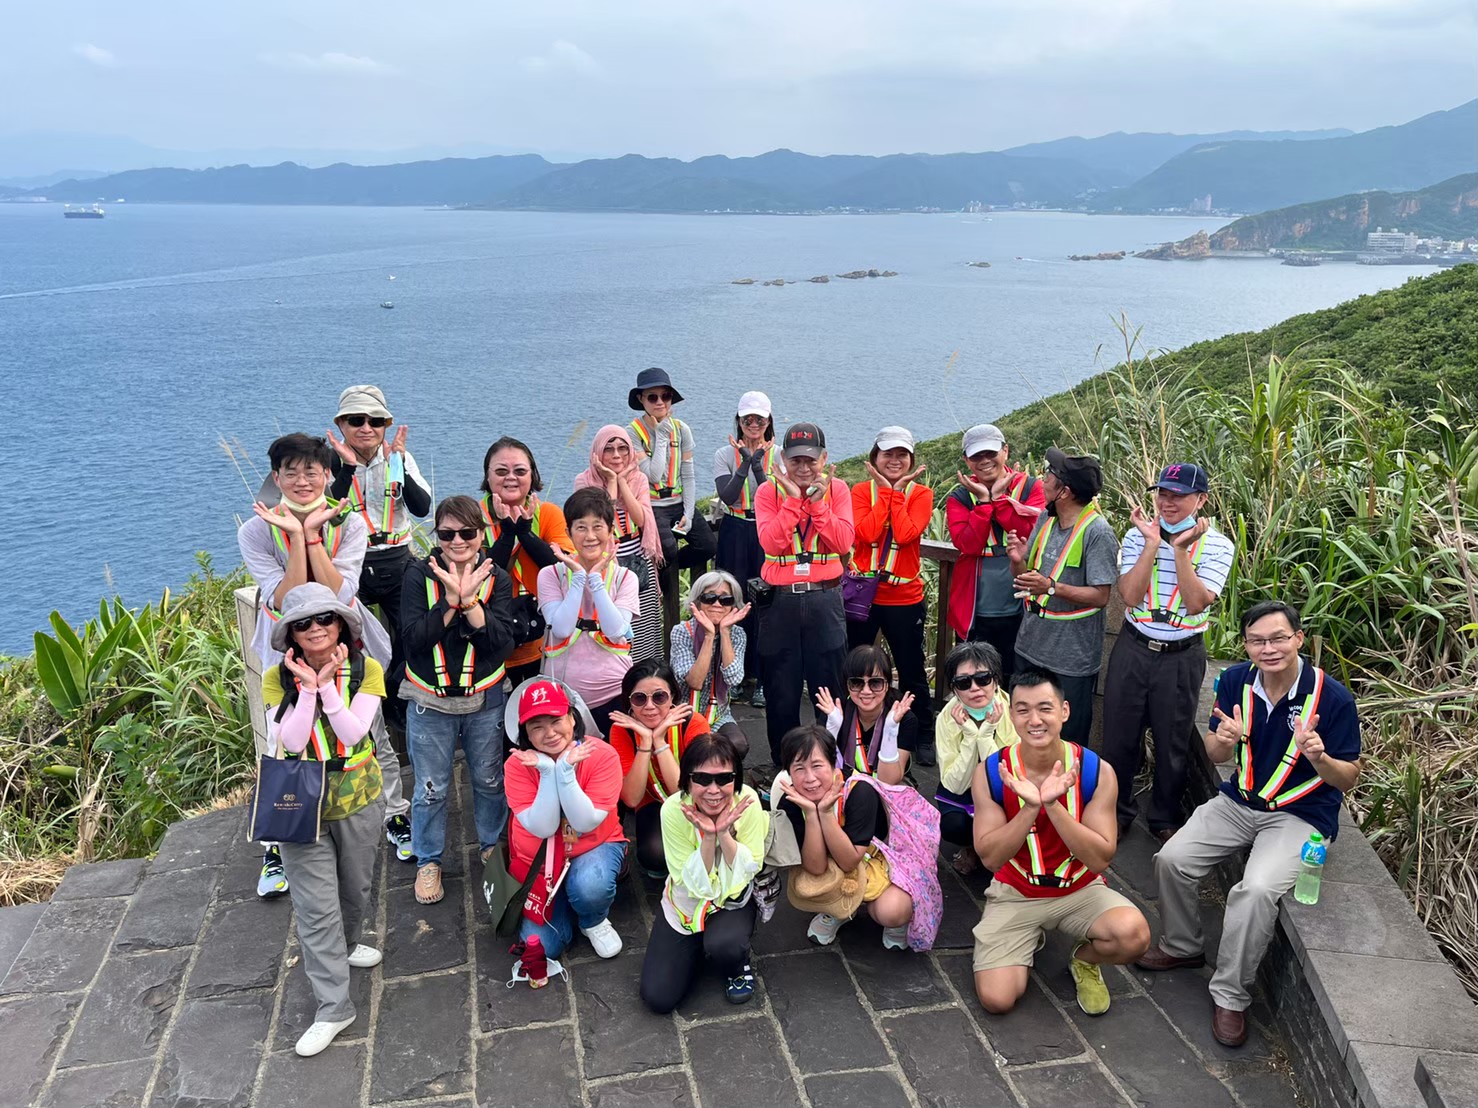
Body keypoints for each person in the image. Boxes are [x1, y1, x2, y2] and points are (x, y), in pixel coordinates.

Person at [1138, 601, 1361, 1048]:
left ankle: (1230, 995)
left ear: (1299, 639)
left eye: (1279, 638)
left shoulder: (1331, 698)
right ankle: (1183, 946)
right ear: (1246, 645)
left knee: (1256, 891)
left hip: (1300, 814)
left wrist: (1319, 757)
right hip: (1240, 801)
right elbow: (1217, 754)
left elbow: (1349, 777)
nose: (1269, 648)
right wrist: (1220, 740)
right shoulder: (1236, 680)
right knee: (1172, 859)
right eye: (1258, 640)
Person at [238, 433, 412, 894]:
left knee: (370, 733)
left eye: (311, 470)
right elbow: (286, 598)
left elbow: (340, 596)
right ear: (275, 477)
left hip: (348, 645)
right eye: (290, 471)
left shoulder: (350, 524)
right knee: (285, 739)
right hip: (286, 649)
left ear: (328, 475)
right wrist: (296, 536)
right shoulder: (256, 530)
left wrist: (312, 534)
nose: (301, 479)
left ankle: (393, 814)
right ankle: (278, 841)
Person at [970, 669, 1151, 1017]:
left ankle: (1083, 958)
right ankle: (1028, 936)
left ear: (1064, 711)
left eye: (1045, 708)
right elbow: (991, 859)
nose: (1034, 720)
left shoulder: (1095, 772)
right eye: (1022, 709)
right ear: (1011, 715)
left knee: (1134, 936)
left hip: (1078, 888)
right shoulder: (993, 772)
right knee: (997, 1000)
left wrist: (1053, 805)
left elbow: (1099, 859)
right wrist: (1031, 807)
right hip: (1017, 891)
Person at [260, 584, 386, 1057]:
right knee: (316, 910)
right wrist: (308, 691)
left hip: (357, 797)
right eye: (304, 623)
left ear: (342, 626)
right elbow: (291, 741)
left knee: (355, 889)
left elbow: (355, 731)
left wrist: (329, 687)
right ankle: (334, 1007)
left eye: (324, 620)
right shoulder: (278, 679)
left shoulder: (367, 670)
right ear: (291, 634)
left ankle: (348, 945)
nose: (316, 629)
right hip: (299, 805)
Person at [1100, 463, 1235, 841]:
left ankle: (1163, 816)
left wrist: (1179, 550)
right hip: (1134, 645)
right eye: (1162, 493)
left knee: (1173, 737)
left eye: (1178, 495)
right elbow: (1129, 595)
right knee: (1118, 736)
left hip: (1182, 653)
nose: (1167, 502)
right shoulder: (1136, 535)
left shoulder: (1219, 546)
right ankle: (1117, 811)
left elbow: (1195, 603)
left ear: (1201, 499)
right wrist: (1151, 544)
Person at [400, 495, 519, 905]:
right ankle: (428, 860)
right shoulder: (418, 576)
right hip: (430, 701)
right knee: (430, 787)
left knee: (489, 780)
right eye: (447, 533)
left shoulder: (497, 578)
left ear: (481, 534)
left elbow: (501, 644)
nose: (457, 541)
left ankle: (490, 845)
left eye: (467, 532)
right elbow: (413, 641)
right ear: (437, 536)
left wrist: (471, 603)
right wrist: (450, 603)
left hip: (485, 698)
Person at [776, 724, 942, 950]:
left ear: (833, 763)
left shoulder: (859, 791)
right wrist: (813, 816)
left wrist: (825, 812)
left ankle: (890, 913)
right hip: (832, 861)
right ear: (788, 772)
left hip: (878, 858)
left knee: (891, 911)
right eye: (799, 768)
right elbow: (815, 868)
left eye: (817, 765)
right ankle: (839, 909)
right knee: (812, 882)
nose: (810, 778)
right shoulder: (790, 803)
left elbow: (850, 860)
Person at [325, 384, 431, 733]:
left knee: (412, 631)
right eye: (357, 420)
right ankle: (353, 698)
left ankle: (397, 698)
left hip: (396, 558)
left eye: (375, 421)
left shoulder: (399, 457)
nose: (366, 428)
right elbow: (328, 508)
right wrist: (347, 469)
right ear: (341, 424)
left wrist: (398, 463)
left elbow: (421, 507)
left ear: (387, 425)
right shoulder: (327, 462)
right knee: (339, 633)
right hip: (349, 561)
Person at [640, 731, 768, 1011]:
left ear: (736, 778)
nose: (713, 790)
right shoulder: (674, 810)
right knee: (658, 997)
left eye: (724, 778)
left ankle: (735, 965)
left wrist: (724, 834)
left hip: (731, 900)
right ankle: (695, 950)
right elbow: (688, 882)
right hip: (686, 905)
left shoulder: (747, 801)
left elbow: (749, 868)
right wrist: (708, 838)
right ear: (687, 779)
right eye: (701, 779)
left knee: (725, 945)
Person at [503, 678, 627, 960]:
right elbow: (544, 827)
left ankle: (593, 919)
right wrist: (548, 772)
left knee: (591, 885)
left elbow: (584, 823)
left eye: (556, 720)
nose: (549, 733)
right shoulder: (517, 766)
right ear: (526, 735)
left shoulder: (603, 755)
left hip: (591, 846)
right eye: (537, 727)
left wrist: (566, 773)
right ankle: (561, 902)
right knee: (544, 947)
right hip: (538, 861)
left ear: (572, 717)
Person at [755, 422, 855, 764]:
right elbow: (770, 541)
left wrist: (816, 504)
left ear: (824, 458)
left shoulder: (838, 490)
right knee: (780, 692)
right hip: (780, 602)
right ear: (783, 459)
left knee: (829, 689)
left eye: (810, 460)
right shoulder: (768, 493)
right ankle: (785, 767)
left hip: (824, 599)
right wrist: (794, 502)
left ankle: (831, 763)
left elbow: (843, 542)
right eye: (796, 460)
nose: (803, 467)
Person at [1006, 447, 1116, 748]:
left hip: (1071, 657)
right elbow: (1028, 575)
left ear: (1064, 491)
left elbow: (1102, 595)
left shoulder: (1098, 533)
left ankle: (1068, 793)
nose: (1042, 481)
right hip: (1031, 643)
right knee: (1023, 725)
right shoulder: (1047, 518)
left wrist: (1052, 587)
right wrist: (1017, 560)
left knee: (1067, 737)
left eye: (1048, 476)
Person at [847, 426, 936, 764]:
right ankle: (854, 729)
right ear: (875, 457)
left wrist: (896, 493)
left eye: (902, 454)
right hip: (862, 596)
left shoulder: (921, 495)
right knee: (856, 663)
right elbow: (866, 534)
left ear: (911, 458)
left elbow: (906, 532)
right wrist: (886, 492)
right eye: (888, 454)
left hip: (904, 596)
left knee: (911, 669)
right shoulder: (860, 492)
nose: (895, 460)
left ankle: (922, 732)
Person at [537, 487, 641, 738]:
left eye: (598, 526)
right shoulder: (550, 575)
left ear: (610, 530)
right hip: (563, 695)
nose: (590, 536)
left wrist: (595, 581)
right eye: (581, 527)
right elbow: (560, 629)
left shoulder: (625, 578)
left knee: (616, 766)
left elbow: (616, 630)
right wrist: (578, 578)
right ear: (569, 533)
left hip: (615, 691)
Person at [945, 424, 1045, 685]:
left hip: (1021, 603)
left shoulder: (1032, 488)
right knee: (974, 678)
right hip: (975, 607)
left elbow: (1033, 532)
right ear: (967, 460)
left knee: (1019, 678)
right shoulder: (960, 496)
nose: (985, 461)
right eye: (976, 456)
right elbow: (967, 544)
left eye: (990, 453)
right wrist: (983, 503)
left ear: (1005, 451)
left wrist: (999, 498)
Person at [627, 367, 716, 636]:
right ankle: (665, 592)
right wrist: (662, 437)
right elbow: (652, 475)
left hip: (678, 503)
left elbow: (687, 474)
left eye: (665, 396)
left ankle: (666, 572)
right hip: (652, 506)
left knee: (707, 545)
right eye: (652, 397)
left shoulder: (683, 430)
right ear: (641, 399)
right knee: (667, 548)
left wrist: (689, 512)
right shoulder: (632, 433)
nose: (660, 403)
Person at [479, 437, 570, 690]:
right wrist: (507, 534)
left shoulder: (548, 513)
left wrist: (525, 533)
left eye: (520, 471)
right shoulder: (474, 517)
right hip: (491, 638)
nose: (511, 478)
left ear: (533, 475)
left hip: (543, 639)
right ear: (487, 476)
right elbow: (480, 574)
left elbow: (560, 568)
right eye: (500, 471)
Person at [607, 658, 712, 876]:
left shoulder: (693, 723)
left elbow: (685, 794)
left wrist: (660, 742)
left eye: (659, 697)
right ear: (628, 703)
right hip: (650, 799)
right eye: (639, 698)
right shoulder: (622, 730)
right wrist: (646, 742)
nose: (649, 707)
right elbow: (632, 799)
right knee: (653, 856)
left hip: (696, 799)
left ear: (672, 696)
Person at [713, 391, 782, 708]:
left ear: (768, 422)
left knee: (766, 603)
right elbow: (727, 496)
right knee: (731, 600)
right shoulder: (723, 454)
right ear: (738, 422)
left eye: (759, 418)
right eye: (747, 419)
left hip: (766, 531)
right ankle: (735, 676)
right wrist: (745, 461)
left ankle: (763, 679)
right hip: (734, 529)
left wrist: (756, 464)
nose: (753, 424)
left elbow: (773, 495)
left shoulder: (779, 455)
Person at [573, 426, 663, 664]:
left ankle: (644, 677)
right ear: (597, 453)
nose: (616, 455)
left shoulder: (639, 479)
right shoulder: (585, 481)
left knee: (642, 628)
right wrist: (611, 481)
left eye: (623, 448)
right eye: (609, 449)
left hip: (637, 559)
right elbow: (602, 520)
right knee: (613, 628)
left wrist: (622, 481)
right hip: (604, 564)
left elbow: (641, 519)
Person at [932, 640, 1017, 875]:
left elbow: (1009, 778)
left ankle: (1004, 851)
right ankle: (972, 847)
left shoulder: (1014, 709)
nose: (975, 688)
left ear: (996, 680)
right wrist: (971, 737)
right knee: (953, 825)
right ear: (954, 688)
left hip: (1007, 790)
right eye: (963, 682)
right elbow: (954, 785)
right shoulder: (946, 719)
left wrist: (987, 734)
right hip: (963, 791)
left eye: (983, 678)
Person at [668, 570, 752, 754]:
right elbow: (694, 682)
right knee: (691, 748)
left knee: (738, 745)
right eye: (709, 597)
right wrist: (708, 636)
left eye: (725, 600)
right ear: (698, 601)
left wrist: (724, 632)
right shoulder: (682, 631)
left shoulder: (737, 634)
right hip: (684, 713)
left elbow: (733, 679)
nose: (717, 604)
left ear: (733, 606)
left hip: (718, 715)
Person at [814, 645, 918, 787]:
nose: (866, 691)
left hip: (888, 789)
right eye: (857, 683)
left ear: (888, 685)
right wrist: (831, 732)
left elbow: (889, 780)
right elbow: (816, 767)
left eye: (875, 682)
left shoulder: (904, 718)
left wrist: (890, 731)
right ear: (847, 685)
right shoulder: (834, 711)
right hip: (842, 781)